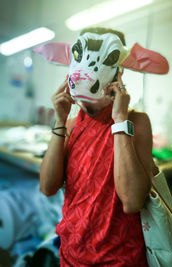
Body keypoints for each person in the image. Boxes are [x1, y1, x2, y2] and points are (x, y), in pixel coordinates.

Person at [39, 28, 159, 266]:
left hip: (120, 258)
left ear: (119, 73)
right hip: (71, 253)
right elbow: (47, 187)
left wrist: (120, 121)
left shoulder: (136, 122)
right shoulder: (71, 125)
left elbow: (132, 201)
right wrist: (60, 121)